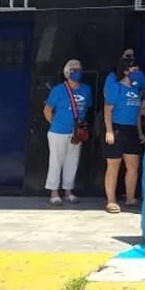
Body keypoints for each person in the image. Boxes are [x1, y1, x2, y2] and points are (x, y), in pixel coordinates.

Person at [43, 60, 91, 206]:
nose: (77, 72)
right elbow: (47, 110)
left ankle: (68, 191)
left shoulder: (86, 90)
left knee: (72, 161)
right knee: (56, 161)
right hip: (58, 132)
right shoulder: (58, 90)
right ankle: (54, 193)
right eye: (73, 69)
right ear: (67, 73)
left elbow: (87, 107)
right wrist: (56, 124)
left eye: (79, 69)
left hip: (76, 132)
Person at [103, 57, 144, 213]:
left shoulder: (135, 89)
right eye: (134, 70)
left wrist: (140, 132)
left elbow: (137, 113)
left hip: (131, 129)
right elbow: (108, 109)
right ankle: (111, 200)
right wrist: (109, 130)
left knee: (133, 165)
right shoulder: (116, 87)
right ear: (126, 72)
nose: (137, 73)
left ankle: (130, 198)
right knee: (113, 165)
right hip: (117, 128)